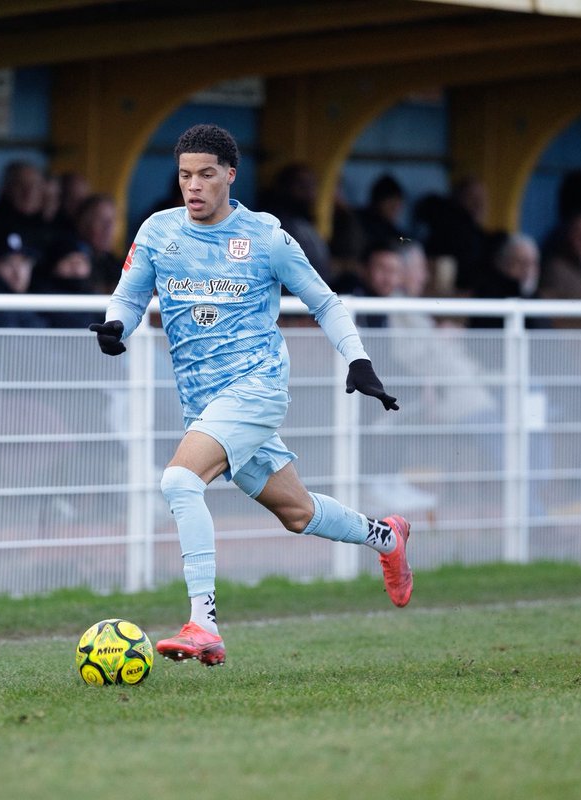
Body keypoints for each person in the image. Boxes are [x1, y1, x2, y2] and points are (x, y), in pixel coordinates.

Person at [89, 124, 412, 667]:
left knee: (179, 479)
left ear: (230, 176)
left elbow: (325, 302)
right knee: (297, 512)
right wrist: (114, 326)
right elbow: (128, 293)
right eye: (185, 175)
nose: (193, 186)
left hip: (256, 389)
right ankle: (387, 537)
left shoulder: (265, 238)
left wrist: (358, 359)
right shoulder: (157, 232)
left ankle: (204, 623)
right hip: (204, 402)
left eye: (206, 175)